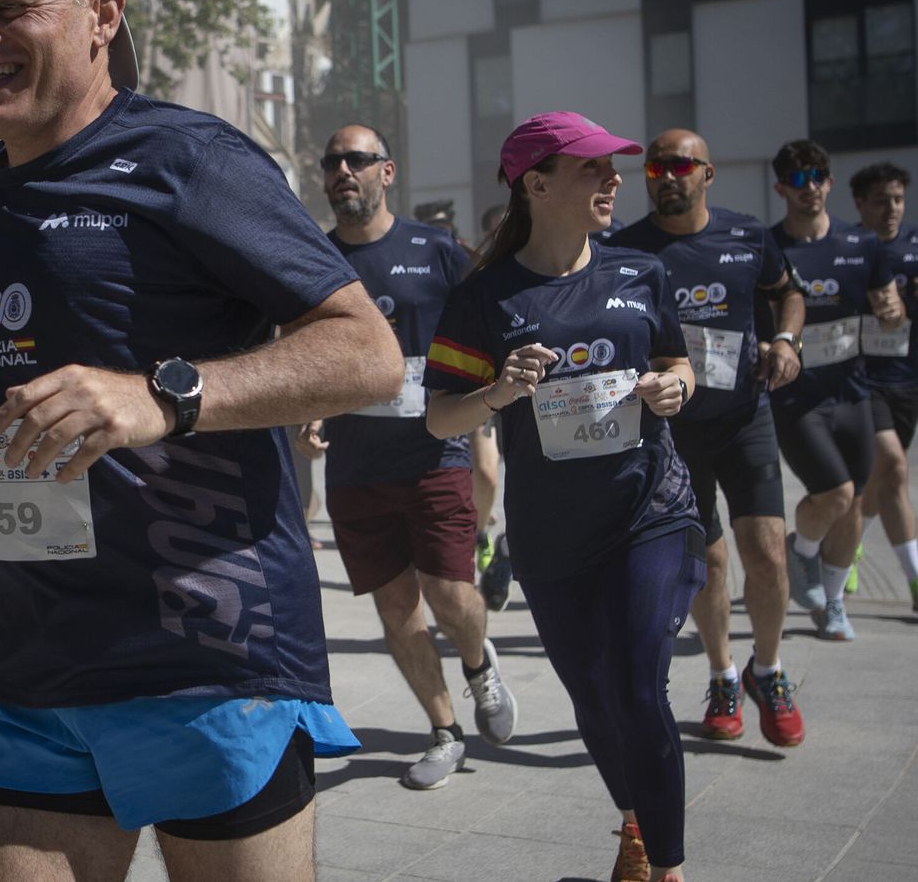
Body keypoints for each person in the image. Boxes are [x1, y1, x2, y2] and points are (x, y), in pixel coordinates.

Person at [0, 0, 397, 882]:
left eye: (9, 7)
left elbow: (365, 352)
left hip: (207, 650)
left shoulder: (188, 158)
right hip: (36, 658)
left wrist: (163, 396)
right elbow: (15, 408)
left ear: (103, 15)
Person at [424, 112, 702, 882]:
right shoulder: (484, 296)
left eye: (613, 167)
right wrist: (498, 391)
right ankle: (637, 822)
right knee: (597, 699)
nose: (615, 179)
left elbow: (679, 359)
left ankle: (667, 868)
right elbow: (439, 413)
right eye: (593, 168)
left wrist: (671, 385)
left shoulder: (637, 272)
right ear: (536, 184)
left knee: (639, 682)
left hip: (650, 510)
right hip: (551, 536)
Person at [295, 125, 517, 791]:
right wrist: (307, 409)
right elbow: (302, 350)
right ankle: (445, 728)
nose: (342, 170)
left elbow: (489, 316)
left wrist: (482, 406)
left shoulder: (436, 247)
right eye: (333, 162)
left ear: (386, 171)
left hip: (433, 451)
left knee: (450, 596)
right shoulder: (314, 256)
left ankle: (479, 663)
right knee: (397, 608)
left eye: (356, 160)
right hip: (356, 468)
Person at [610, 129, 807, 747]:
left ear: (707, 174)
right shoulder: (627, 250)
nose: (667, 175)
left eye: (680, 164)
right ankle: (723, 674)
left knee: (769, 554)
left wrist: (786, 341)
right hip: (671, 430)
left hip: (744, 415)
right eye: (655, 167)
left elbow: (788, 295)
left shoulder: (748, 236)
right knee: (709, 562)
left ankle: (767, 671)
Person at [767, 140, 903, 642]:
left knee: (857, 499)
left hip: (852, 391)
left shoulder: (860, 243)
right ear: (781, 187)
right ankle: (801, 550)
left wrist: (895, 310)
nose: (811, 189)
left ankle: (833, 602)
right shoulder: (770, 248)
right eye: (798, 181)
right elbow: (756, 318)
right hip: (796, 397)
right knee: (835, 493)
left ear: (828, 181)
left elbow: (888, 307)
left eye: (818, 177)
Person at [848, 160, 918, 611]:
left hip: (907, 378)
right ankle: (915, 583)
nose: (891, 208)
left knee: (882, 481)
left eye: (897, 199)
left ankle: (847, 541)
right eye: (880, 200)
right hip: (861, 380)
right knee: (892, 467)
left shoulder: (915, 245)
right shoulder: (849, 247)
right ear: (860, 204)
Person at [471, 203, 508, 600]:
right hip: (488, 392)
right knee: (485, 473)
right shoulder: (477, 277)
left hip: (544, 397)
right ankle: (480, 533)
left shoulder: (550, 264)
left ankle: (510, 549)